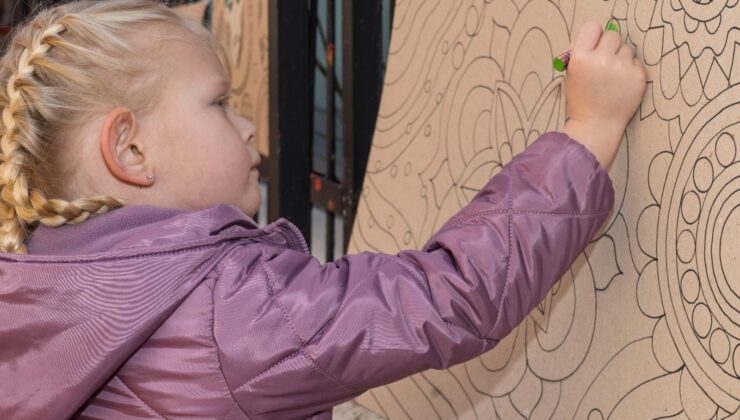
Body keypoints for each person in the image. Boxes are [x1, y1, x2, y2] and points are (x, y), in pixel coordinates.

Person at [0, 1, 646, 418]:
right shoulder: (232, 309)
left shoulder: (31, 283)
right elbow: (449, 296)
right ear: (130, 148)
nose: (250, 125)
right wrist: (588, 131)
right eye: (220, 102)